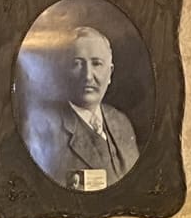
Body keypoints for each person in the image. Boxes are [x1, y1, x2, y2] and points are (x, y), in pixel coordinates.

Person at [24, 26, 138, 190]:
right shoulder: (43, 131)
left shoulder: (122, 122)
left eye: (97, 63)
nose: (88, 75)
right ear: (64, 72)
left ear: (110, 73)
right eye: (77, 64)